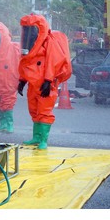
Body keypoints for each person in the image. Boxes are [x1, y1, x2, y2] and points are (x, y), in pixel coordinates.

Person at [18, 14, 71, 149]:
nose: (29, 33)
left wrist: (48, 80)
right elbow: (25, 62)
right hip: (32, 83)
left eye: (32, 30)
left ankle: (43, 140)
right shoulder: (30, 46)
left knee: (44, 111)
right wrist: (22, 80)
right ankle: (36, 137)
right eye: (27, 29)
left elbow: (54, 62)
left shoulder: (49, 42)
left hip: (46, 84)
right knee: (34, 110)